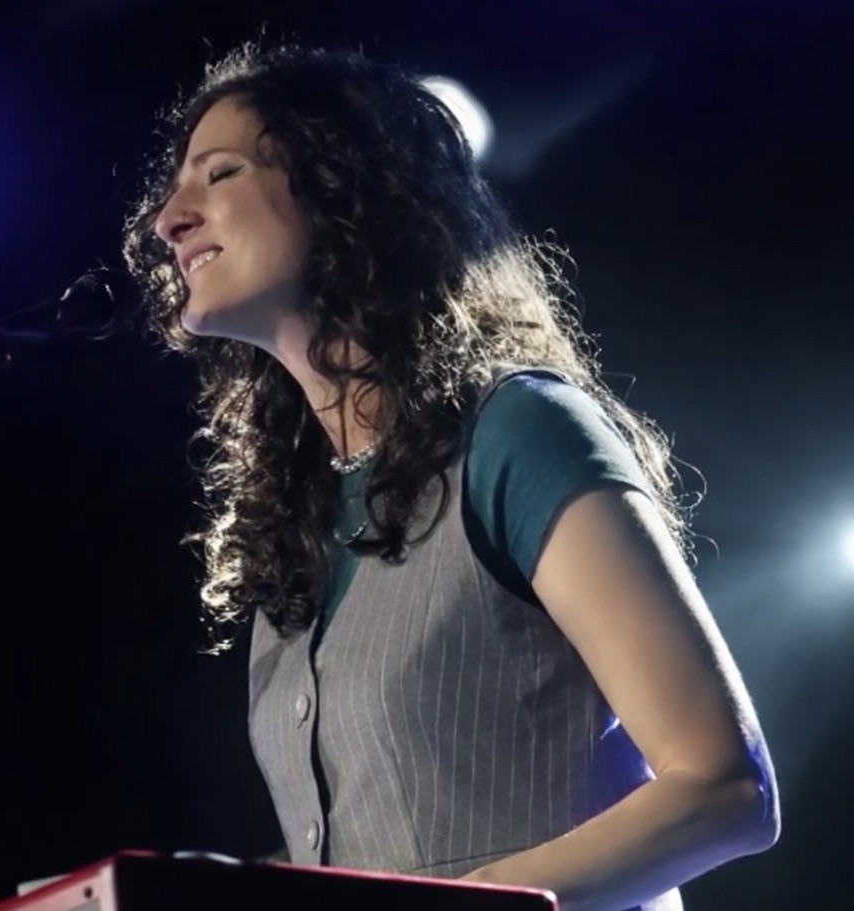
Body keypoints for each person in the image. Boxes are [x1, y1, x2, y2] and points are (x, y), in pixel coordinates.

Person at [122, 42, 779, 911]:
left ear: (342, 186)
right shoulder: (301, 516)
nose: (170, 217)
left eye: (221, 172)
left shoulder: (520, 433)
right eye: (176, 187)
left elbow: (726, 790)